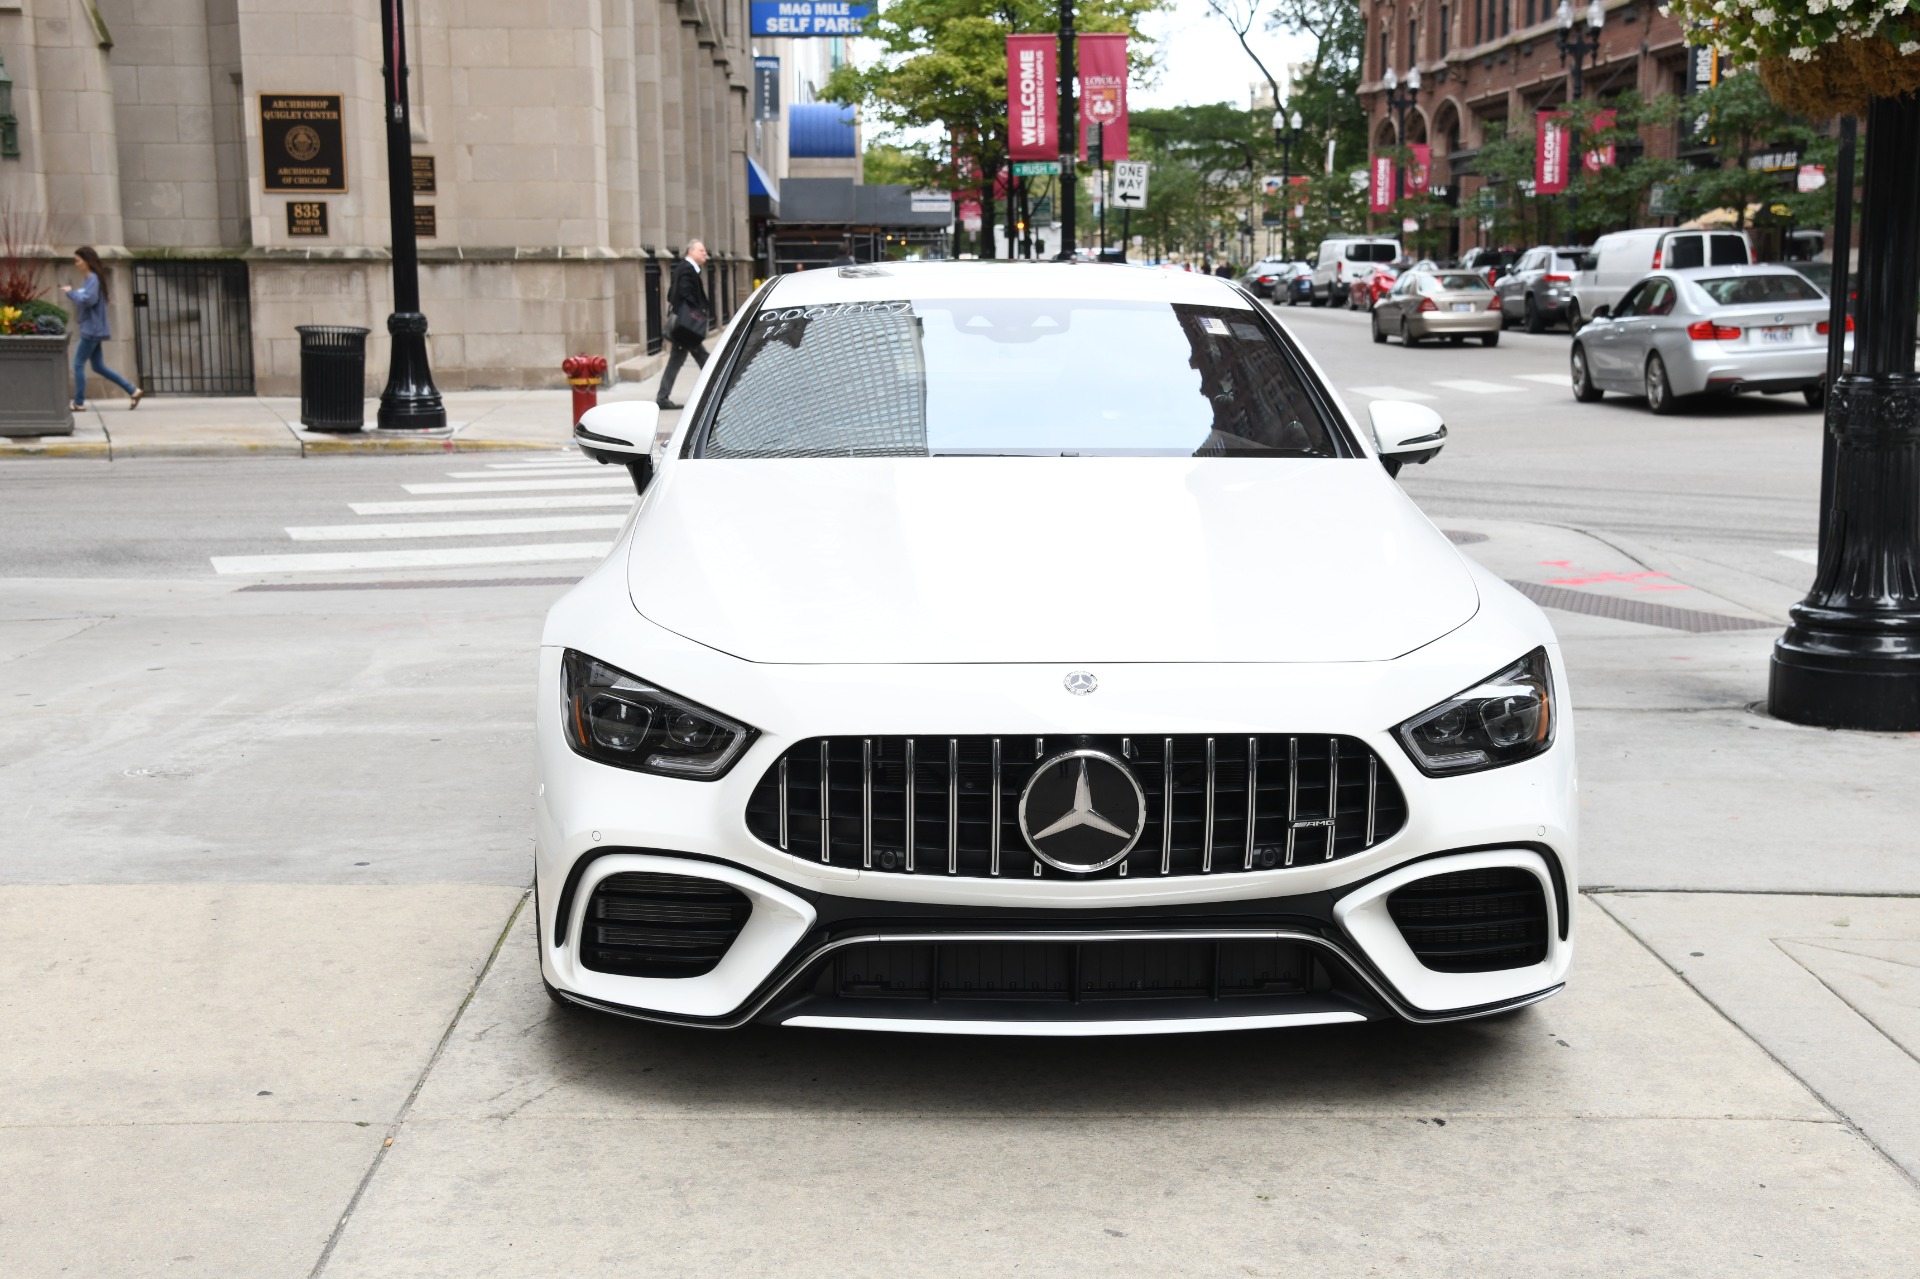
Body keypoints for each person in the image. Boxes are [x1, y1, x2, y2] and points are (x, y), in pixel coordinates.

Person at [60, 246, 142, 411]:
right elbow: (88, 297)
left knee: (77, 364)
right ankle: (133, 390)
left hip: (92, 330)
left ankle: (79, 402)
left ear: (87, 261)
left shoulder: (93, 278)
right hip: (94, 329)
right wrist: (75, 292)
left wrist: (70, 293)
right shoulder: (92, 279)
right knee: (98, 366)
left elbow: (89, 300)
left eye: (78, 260)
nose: (76, 264)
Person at [656, 239, 710, 410]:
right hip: (686, 328)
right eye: (701, 250)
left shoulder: (685, 268)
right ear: (690, 251)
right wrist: (697, 312)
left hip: (685, 328)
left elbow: (671, 294)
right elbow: (684, 293)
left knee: (696, 358)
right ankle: (720, 389)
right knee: (701, 358)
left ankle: (718, 389)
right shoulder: (687, 269)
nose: (704, 254)